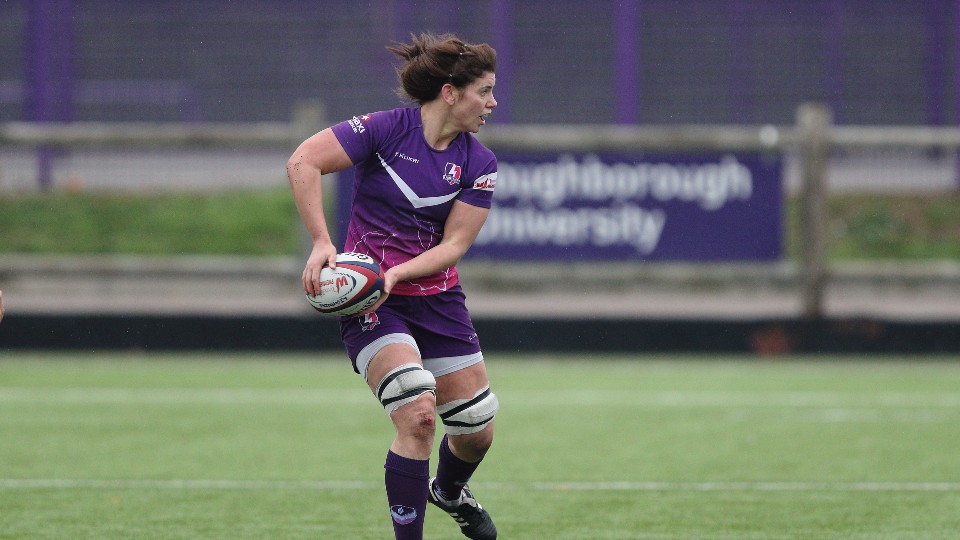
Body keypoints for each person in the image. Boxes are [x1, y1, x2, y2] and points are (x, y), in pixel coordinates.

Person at [286, 33, 500, 540]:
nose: (492, 103)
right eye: (484, 91)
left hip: (436, 299)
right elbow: (303, 161)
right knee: (418, 412)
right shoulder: (384, 130)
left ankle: (448, 491)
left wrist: (398, 273)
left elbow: (454, 245)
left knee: (476, 430)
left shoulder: (479, 163)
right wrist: (321, 241)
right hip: (374, 305)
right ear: (450, 93)